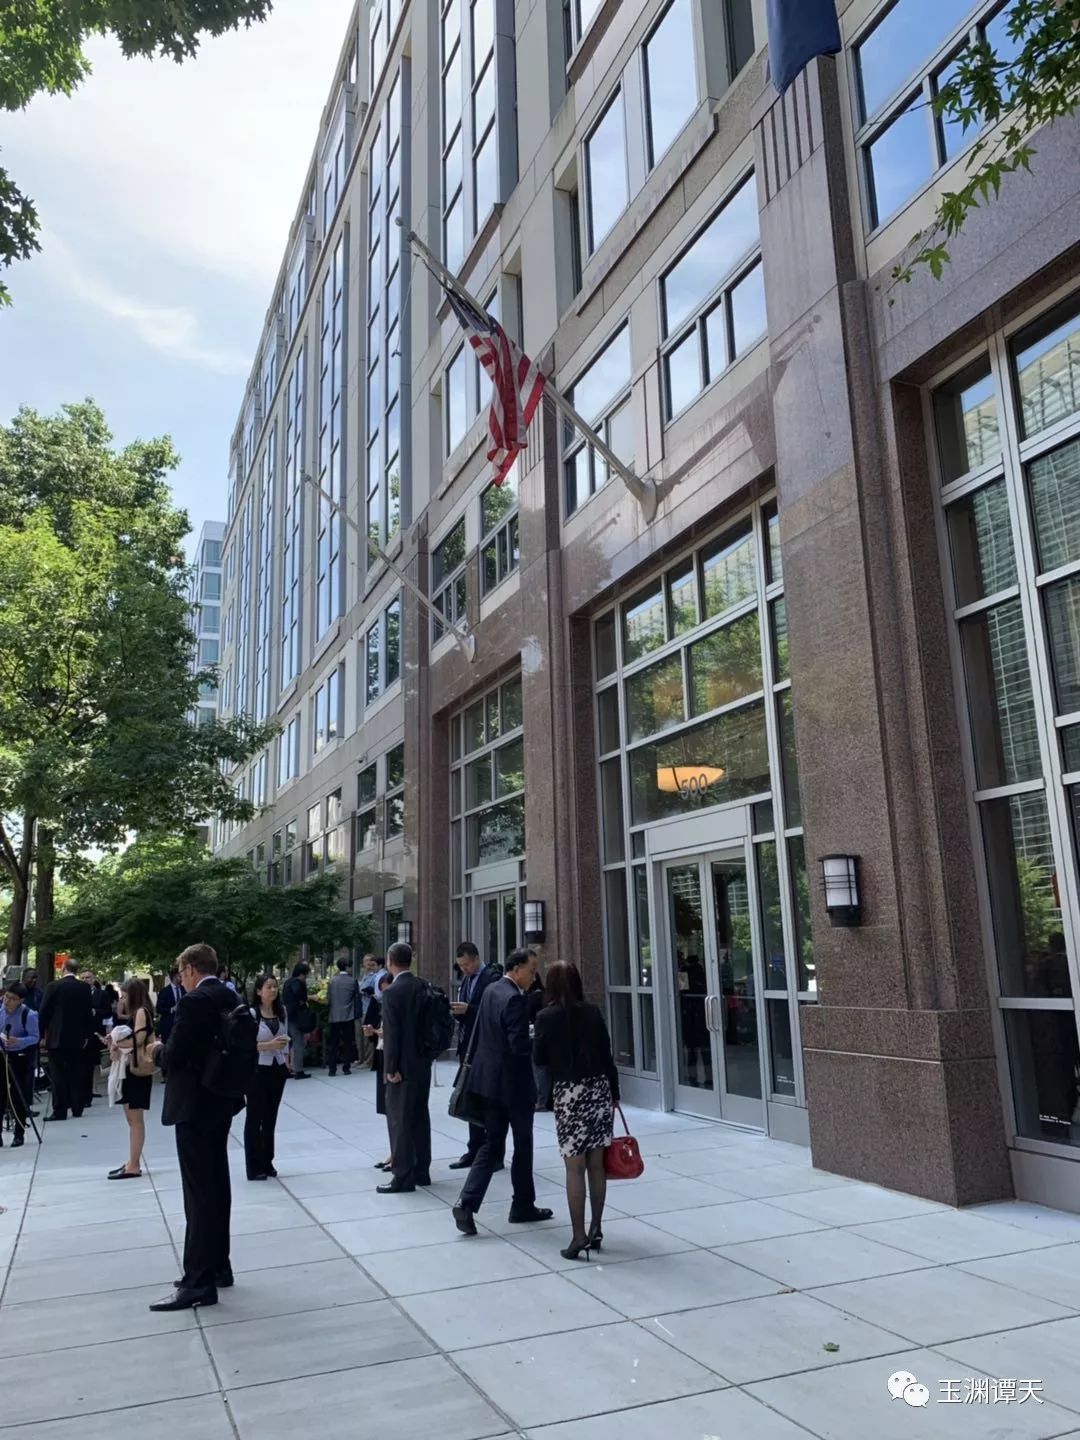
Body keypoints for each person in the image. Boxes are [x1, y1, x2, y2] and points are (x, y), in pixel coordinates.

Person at [148, 943, 245, 1312]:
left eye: (181, 972)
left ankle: (198, 1281)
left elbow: (175, 1054)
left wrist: (156, 1050)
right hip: (221, 1100)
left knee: (198, 1193)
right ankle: (219, 1265)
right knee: (217, 1184)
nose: (181, 979)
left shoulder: (194, 1002)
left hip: (194, 1103)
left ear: (190, 968)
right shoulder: (230, 995)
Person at [452, 948, 554, 1236]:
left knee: (492, 1144)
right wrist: (538, 1038)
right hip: (513, 1086)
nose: (533, 976)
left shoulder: (492, 990)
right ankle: (522, 1205)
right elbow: (518, 1046)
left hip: (488, 1083)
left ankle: (467, 1203)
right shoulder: (514, 999)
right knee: (523, 1144)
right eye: (531, 970)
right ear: (517, 968)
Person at [532, 960, 619, 1260]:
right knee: (597, 1165)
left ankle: (578, 1234)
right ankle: (596, 1228)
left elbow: (539, 1059)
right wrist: (614, 1094)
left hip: (569, 1094)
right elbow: (607, 1056)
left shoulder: (546, 1017)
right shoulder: (593, 1012)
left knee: (574, 1167)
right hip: (598, 1090)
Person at [377, 943, 432, 1193]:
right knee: (420, 1116)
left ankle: (402, 1176)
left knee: (399, 1120)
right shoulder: (424, 986)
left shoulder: (392, 993)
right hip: (422, 1061)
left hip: (402, 1066)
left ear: (390, 961)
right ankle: (422, 1170)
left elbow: (392, 1033)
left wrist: (390, 1067)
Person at [448, 941, 503, 1172]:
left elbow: (493, 1009)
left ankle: (494, 1153)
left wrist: (468, 1010)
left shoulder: (491, 978)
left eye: (467, 964)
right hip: (468, 1047)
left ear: (477, 958)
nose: (464, 969)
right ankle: (475, 1149)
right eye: (461, 966)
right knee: (471, 1099)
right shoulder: (467, 980)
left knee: (489, 1102)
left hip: (485, 1047)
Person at [106, 979, 156, 1180]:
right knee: (132, 1118)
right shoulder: (140, 1012)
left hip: (136, 1070)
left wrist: (117, 1042)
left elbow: (139, 1039)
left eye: (125, 996)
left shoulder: (141, 1012)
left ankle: (134, 1165)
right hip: (131, 1070)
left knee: (135, 1119)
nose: (123, 1000)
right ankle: (132, 1161)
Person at [245, 974, 290, 1181]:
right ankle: (253, 1166)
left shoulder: (281, 1011)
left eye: (275, 987)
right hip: (257, 1069)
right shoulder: (252, 1014)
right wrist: (268, 1045)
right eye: (268, 987)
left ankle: (267, 1161)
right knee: (255, 1117)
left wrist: (286, 1058)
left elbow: (286, 1039)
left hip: (277, 1068)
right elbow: (245, 1045)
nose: (273, 990)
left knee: (271, 1117)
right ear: (258, 991)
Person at [38, 958, 94, 1122]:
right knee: (76, 1072)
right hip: (77, 1038)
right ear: (77, 970)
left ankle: (60, 1110)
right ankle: (77, 1107)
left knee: (58, 1075)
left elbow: (44, 1012)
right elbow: (87, 1014)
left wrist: (40, 1035)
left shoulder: (53, 986)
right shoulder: (84, 988)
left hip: (56, 1037)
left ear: (63, 968)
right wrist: (87, 1035)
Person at [0, 984, 39, 1148]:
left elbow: (35, 1037)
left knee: (18, 1096)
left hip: (20, 1057)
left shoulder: (28, 1014)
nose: (7, 1001)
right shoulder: (1, 1010)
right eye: (6, 997)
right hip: (2, 1054)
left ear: (21, 1000)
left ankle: (19, 1133)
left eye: (12, 999)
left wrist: (19, 1041)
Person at [364, 972, 393, 1170]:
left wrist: (382, 1033)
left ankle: (397, 1153)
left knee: (396, 1110)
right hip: (382, 1056)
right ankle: (393, 1150)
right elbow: (376, 1031)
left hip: (394, 1060)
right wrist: (372, 1033)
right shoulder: (379, 1004)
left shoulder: (399, 1002)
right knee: (387, 1108)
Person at [326, 957, 360, 1076]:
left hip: (334, 1015)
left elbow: (329, 998)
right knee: (347, 1042)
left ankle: (332, 1069)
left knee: (333, 1043)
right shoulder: (352, 981)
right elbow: (356, 997)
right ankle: (346, 1067)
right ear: (347, 967)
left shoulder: (332, 981)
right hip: (348, 1015)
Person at [282, 962, 312, 1079]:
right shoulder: (298, 983)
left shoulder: (287, 982)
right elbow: (301, 997)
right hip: (297, 1016)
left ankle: (287, 1068)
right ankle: (298, 1070)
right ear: (302, 974)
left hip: (287, 1014)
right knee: (298, 1042)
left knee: (288, 1043)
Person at [357, 954, 382, 1064]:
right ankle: (361, 1058)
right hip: (361, 1008)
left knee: (368, 1036)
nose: (367, 963)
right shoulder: (363, 976)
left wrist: (364, 991)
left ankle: (368, 1060)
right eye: (365, 961)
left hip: (368, 1008)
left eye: (369, 961)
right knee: (360, 1037)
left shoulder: (375, 976)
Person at [157, 969, 183, 1042]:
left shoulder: (184, 989)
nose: (181, 978)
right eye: (179, 976)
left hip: (181, 1026)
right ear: (174, 977)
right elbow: (158, 1009)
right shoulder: (164, 991)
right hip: (168, 1026)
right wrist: (171, 1009)